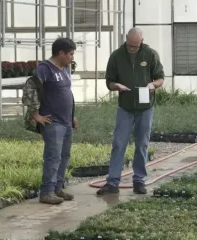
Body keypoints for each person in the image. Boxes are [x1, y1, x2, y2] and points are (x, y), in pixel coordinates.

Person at [96, 28, 165, 195]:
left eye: (136, 45)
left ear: (142, 41)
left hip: (145, 108)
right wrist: (116, 86)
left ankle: (139, 180)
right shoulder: (117, 56)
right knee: (119, 144)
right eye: (130, 45)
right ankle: (112, 182)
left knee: (142, 144)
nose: (133, 48)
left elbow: (160, 78)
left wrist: (152, 85)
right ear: (126, 39)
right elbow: (109, 81)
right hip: (125, 107)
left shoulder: (150, 54)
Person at [22, 38, 79, 205]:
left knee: (64, 156)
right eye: (70, 53)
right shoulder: (44, 68)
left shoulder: (65, 69)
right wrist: (35, 114)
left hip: (66, 121)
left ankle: (57, 188)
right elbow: (29, 89)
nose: (72, 57)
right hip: (53, 122)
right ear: (60, 53)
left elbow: (66, 93)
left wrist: (72, 116)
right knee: (53, 157)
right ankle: (46, 192)